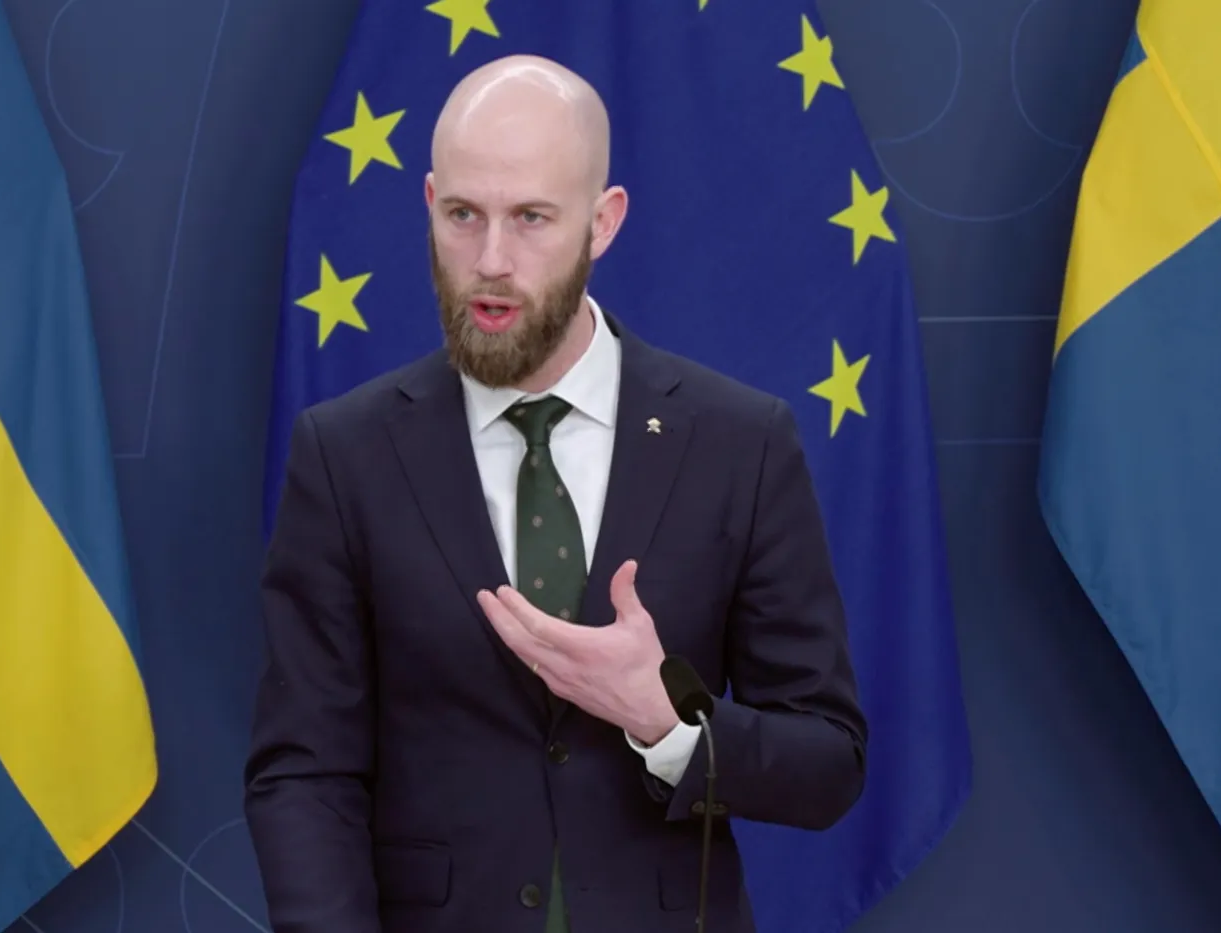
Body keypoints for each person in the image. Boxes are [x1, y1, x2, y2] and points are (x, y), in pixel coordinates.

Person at [244, 53, 868, 933]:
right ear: (429, 204)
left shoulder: (739, 444)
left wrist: (666, 719)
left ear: (601, 223)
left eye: (532, 218)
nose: (490, 261)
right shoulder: (346, 454)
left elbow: (828, 761)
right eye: (464, 216)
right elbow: (304, 772)